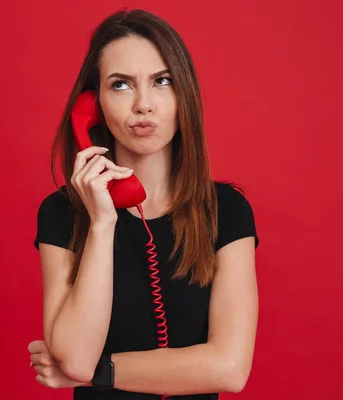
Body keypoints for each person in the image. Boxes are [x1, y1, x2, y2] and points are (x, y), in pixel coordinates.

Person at [28, 8, 259, 400]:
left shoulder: (226, 211)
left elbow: (229, 369)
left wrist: (98, 373)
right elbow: (76, 359)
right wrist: (102, 222)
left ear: (182, 92)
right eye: (120, 85)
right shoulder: (61, 214)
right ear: (93, 103)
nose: (143, 105)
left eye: (162, 81)